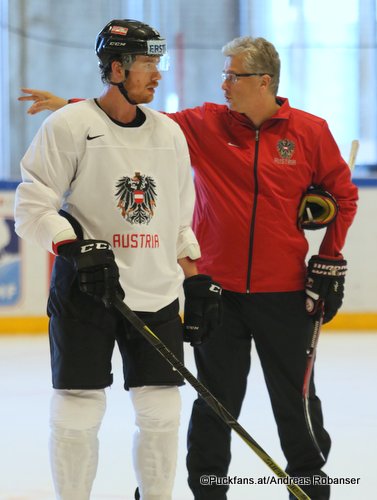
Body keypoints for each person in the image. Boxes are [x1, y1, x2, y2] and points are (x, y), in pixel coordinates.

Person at [18, 36, 358, 500]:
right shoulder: (203, 124)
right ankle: (208, 490)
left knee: (295, 400)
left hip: (285, 291)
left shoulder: (309, 131)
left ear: (262, 82)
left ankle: (311, 486)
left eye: (231, 75)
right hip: (218, 288)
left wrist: (329, 257)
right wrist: (72, 105)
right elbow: (132, 122)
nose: (223, 84)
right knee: (215, 402)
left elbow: (343, 196)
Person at [14, 19, 222, 500]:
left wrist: (194, 277)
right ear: (114, 67)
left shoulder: (169, 134)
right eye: (147, 63)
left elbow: (176, 220)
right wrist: (73, 247)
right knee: (79, 407)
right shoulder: (70, 126)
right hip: (86, 292)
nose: (156, 74)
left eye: (157, 63)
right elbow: (32, 204)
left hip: (155, 292)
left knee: (162, 412)